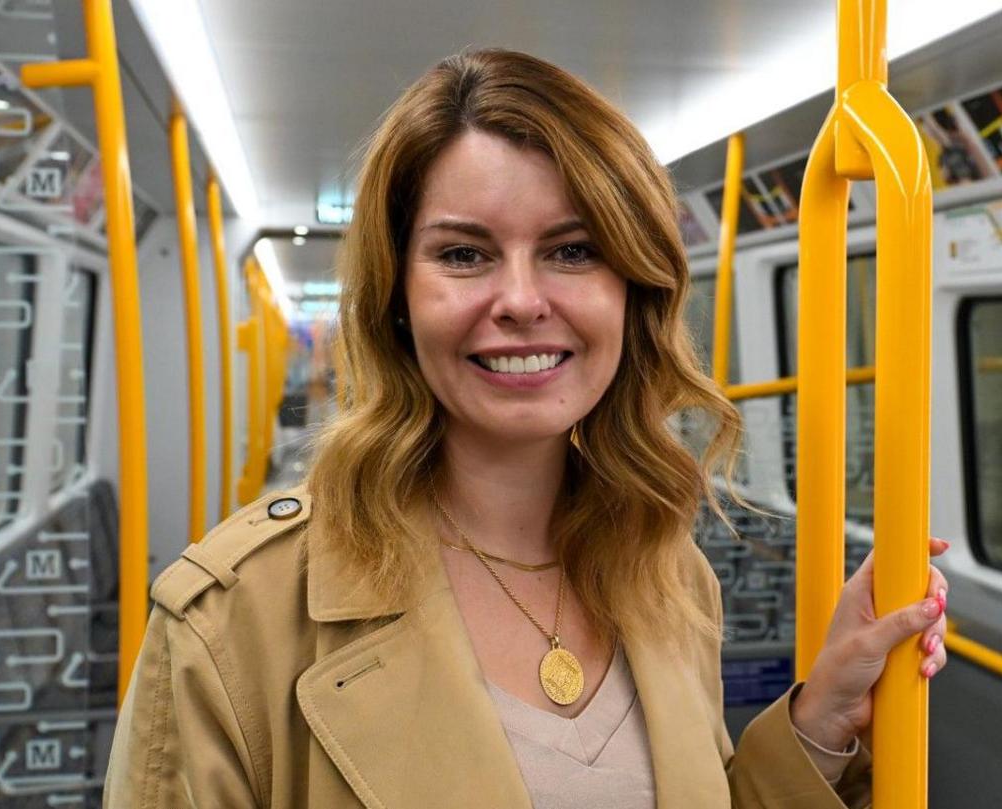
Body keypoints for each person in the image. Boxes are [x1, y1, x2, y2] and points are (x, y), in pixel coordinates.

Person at [104, 48, 949, 809]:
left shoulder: (669, 573)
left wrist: (821, 715)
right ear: (397, 297)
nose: (519, 300)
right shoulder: (231, 619)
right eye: (464, 254)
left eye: (573, 250)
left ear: (633, 292)